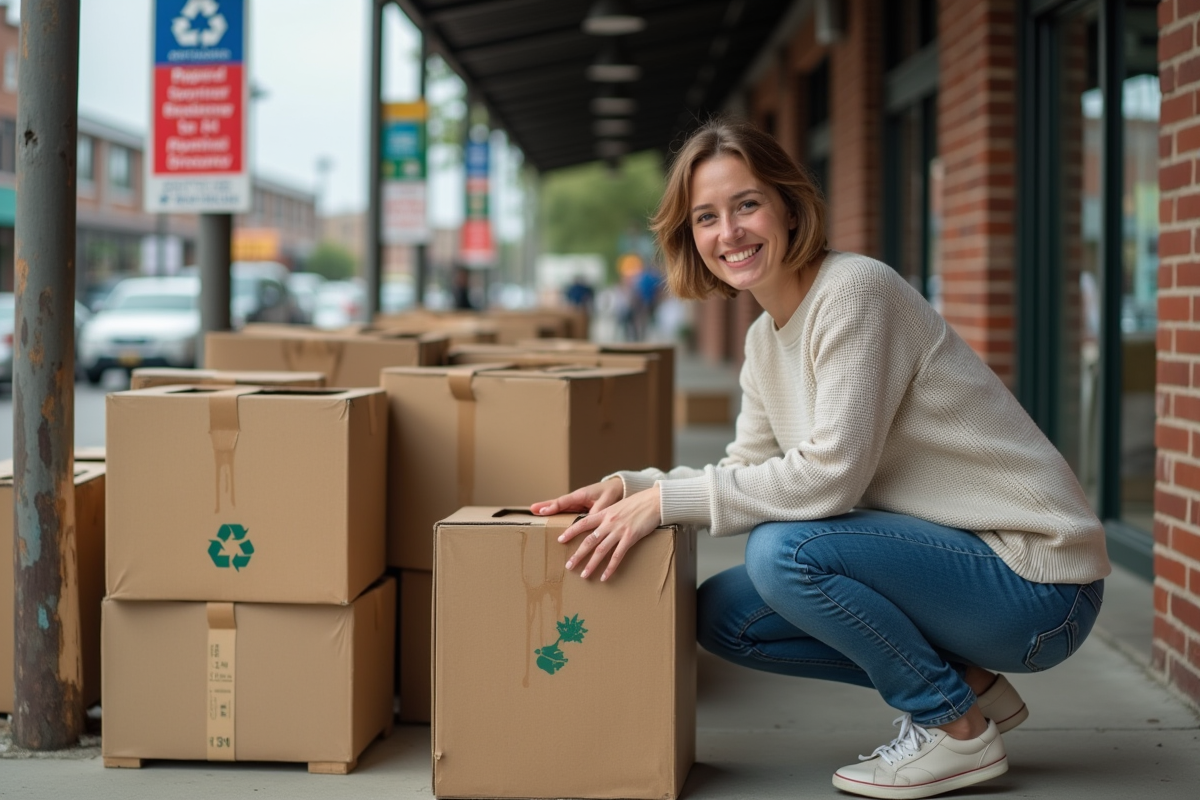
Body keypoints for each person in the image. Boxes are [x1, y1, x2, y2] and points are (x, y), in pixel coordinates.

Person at [531, 119, 1109, 800]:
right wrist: (636, 487)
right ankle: (967, 688)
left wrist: (665, 503)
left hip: (1039, 583)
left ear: (789, 206)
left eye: (747, 205)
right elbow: (746, 467)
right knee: (724, 613)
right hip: (963, 567)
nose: (729, 232)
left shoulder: (855, 291)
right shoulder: (762, 341)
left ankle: (954, 730)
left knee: (786, 553)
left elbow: (831, 477)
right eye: (706, 217)